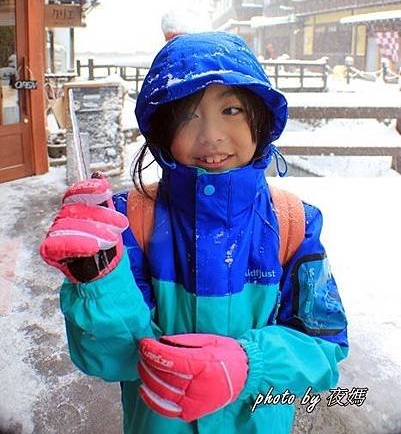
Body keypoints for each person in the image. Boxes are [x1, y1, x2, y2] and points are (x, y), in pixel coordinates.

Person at [40, 31, 348, 433]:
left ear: (262, 119)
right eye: (188, 114)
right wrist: (97, 278)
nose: (211, 136)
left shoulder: (293, 223)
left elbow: (325, 348)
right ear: (163, 130)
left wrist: (250, 364)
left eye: (232, 110)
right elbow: (110, 357)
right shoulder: (129, 220)